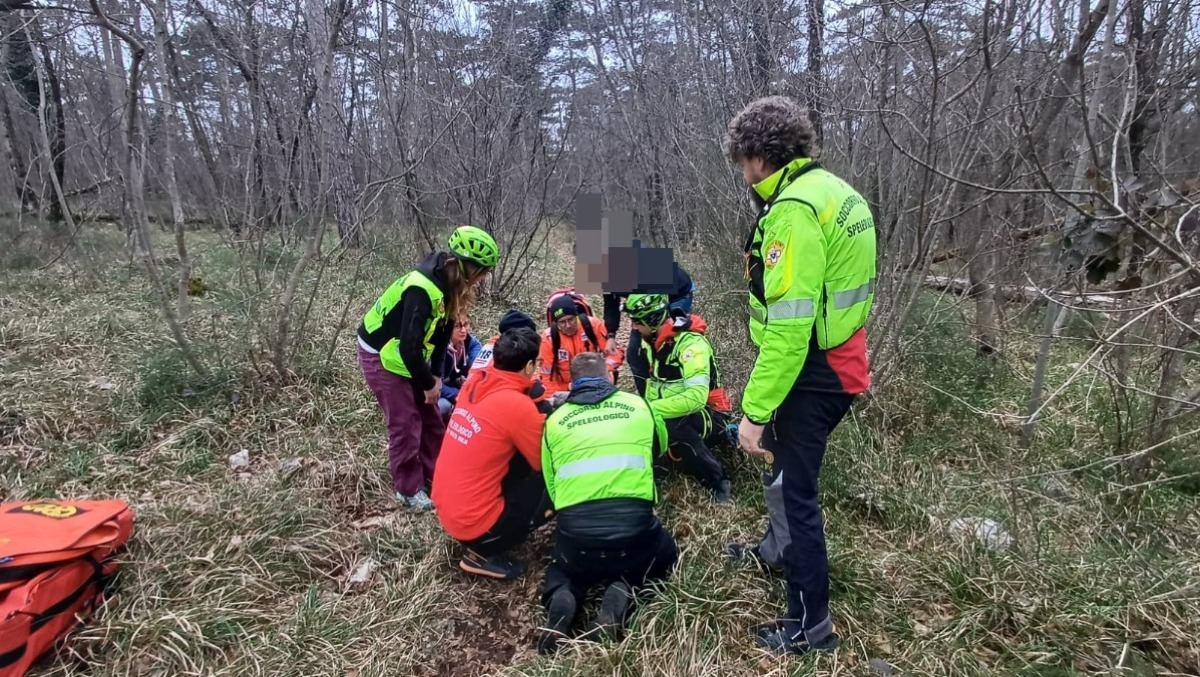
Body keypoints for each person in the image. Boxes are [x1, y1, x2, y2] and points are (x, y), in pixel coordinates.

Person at [723, 95, 876, 655]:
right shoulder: (836, 191)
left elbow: (790, 327)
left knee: (793, 491)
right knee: (784, 475)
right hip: (840, 357)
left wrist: (754, 412)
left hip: (813, 371)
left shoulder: (793, 209)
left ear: (759, 157)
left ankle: (810, 628)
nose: (743, 172)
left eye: (742, 161)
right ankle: (775, 550)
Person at [535, 353, 678, 654]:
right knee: (663, 554)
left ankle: (563, 595)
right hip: (635, 532)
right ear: (610, 377)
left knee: (564, 569)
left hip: (578, 539)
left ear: (571, 385)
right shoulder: (640, 406)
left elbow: (552, 485)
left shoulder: (555, 421)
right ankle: (623, 589)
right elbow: (659, 447)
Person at [357, 225, 499, 512]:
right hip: (381, 353)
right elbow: (408, 348)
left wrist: (435, 375)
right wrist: (428, 384)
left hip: (406, 353)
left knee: (431, 418)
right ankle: (408, 488)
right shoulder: (421, 290)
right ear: (466, 266)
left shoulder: (449, 286)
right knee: (406, 422)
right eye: (482, 271)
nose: (483, 278)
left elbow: (442, 334)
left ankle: (439, 473)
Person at [431, 327, 555, 579]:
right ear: (530, 366)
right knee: (553, 478)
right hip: (476, 527)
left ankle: (485, 534)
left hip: (448, 510)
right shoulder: (518, 407)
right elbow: (542, 463)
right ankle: (486, 551)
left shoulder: (475, 383)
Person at [623, 293, 734, 504]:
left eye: (638, 322)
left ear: (653, 319)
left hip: (712, 413)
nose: (634, 328)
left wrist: (650, 409)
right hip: (672, 408)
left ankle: (718, 480)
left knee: (674, 424)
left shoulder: (690, 344)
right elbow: (655, 386)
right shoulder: (652, 341)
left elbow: (696, 398)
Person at [602, 254, 695, 397]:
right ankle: (648, 401)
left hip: (676, 294)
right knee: (636, 355)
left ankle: (679, 394)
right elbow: (611, 304)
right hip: (646, 303)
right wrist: (611, 335)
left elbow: (655, 297)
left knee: (667, 347)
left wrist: (641, 319)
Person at [458, 309, 552, 412]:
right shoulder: (509, 353)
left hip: (465, 401)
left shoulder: (493, 345)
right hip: (484, 406)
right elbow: (529, 387)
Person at [538, 295, 611, 402]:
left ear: (576, 316)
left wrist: (608, 372)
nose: (568, 325)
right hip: (566, 389)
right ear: (556, 323)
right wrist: (555, 398)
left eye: (571, 319)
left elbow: (613, 353)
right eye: (562, 322)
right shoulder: (548, 339)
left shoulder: (593, 325)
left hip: (596, 382)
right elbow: (547, 376)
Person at [437, 316, 483, 420]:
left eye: (466, 324)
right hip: (434, 390)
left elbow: (478, 361)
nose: (463, 330)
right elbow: (436, 384)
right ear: (447, 328)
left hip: (453, 382)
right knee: (443, 406)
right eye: (457, 326)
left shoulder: (469, 341)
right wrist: (459, 394)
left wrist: (473, 374)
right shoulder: (439, 350)